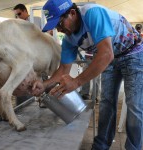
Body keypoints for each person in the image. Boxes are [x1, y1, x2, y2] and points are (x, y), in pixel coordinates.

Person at [31, 0, 143, 149]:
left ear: (72, 13)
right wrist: (44, 85)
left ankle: (134, 147)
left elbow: (106, 53)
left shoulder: (92, 13)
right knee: (106, 103)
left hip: (133, 53)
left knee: (134, 104)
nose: (59, 29)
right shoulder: (69, 39)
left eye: (59, 23)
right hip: (112, 58)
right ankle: (101, 145)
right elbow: (64, 68)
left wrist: (76, 82)